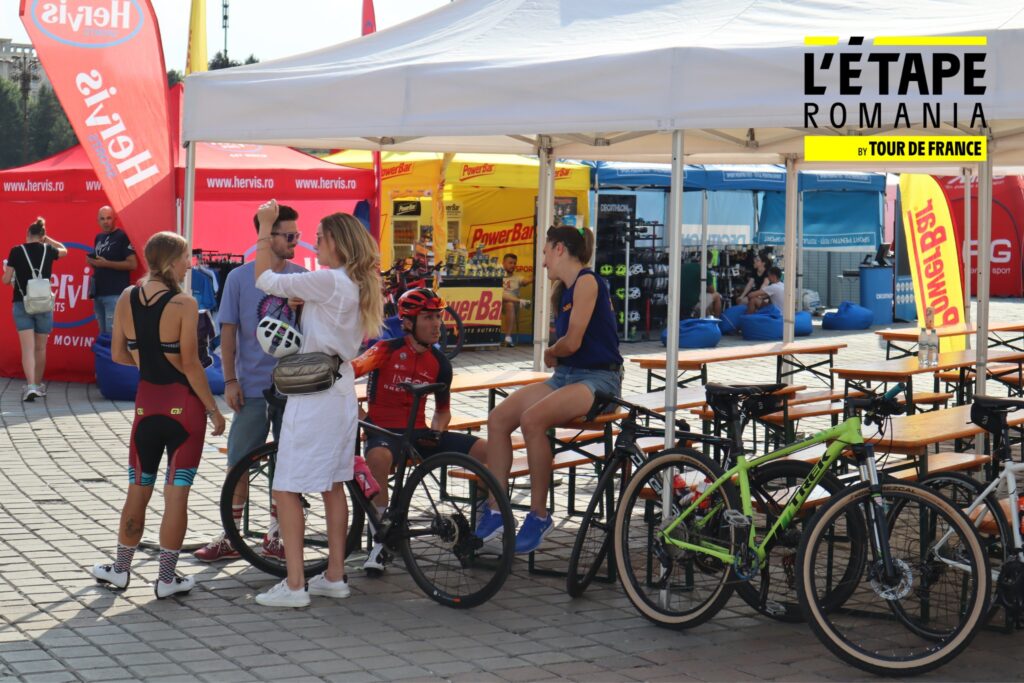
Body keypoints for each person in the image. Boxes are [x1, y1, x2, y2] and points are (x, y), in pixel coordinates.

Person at [251, 201, 383, 608]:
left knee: (286, 485)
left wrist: (265, 229)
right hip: (339, 388)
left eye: (322, 237)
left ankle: (294, 585)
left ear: (339, 244)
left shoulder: (328, 281)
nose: (315, 243)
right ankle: (334, 575)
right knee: (333, 484)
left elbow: (264, 280)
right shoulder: (354, 283)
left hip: (314, 397)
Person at [90, 232, 226, 599]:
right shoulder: (183, 303)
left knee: (138, 489)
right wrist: (214, 410)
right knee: (176, 495)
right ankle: (167, 578)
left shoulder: (125, 297)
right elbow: (191, 364)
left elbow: (117, 353)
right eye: (185, 258)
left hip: (146, 406)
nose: (189, 265)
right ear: (171, 260)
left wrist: (148, 360)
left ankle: (120, 569)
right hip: (185, 410)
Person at [484, 226, 622, 554]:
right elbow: (569, 347)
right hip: (568, 376)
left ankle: (539, 515)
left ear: (559, 249)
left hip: (599, 380)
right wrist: (556, 353)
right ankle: (495, 510)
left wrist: (551, 351)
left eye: (544, 253)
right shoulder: (563, 290)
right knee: (498, 419)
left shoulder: (588, 281)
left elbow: (572, 343)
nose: (543, 263)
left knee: (532, 420)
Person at [193, 206, 306, 562]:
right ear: (268, 236)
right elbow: (228, 333)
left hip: (293, 389)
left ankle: (277, 536)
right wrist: (229, 380)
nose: (296, 243)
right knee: (239, 461)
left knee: (287, 464)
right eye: (289, 236)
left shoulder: (301, 276)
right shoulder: (240, 278)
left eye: (297, 236)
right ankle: (231, 534)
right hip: (252, 387)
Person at [352, 287, 492, 573]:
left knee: (488, 452)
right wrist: (363, 417)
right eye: (428, 318)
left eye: (438, 317)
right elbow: (343, 378)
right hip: (385, 433)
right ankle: (381, 544)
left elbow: (443, 410)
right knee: (378, 459)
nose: (436, 324)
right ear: (407, 322)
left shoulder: (440, 363)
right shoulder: (384, 350)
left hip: (419, 434)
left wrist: (439, 431)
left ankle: (484, 530)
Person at [3, 217, 67, 401]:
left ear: (27, 235)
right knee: (40, 348)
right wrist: (49, 240)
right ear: (42, 236)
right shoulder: (48, 249)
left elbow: (6, 280)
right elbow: (65, 250)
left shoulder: (16, 251)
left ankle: (30, 386)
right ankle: (38, 386)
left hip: (22, 302)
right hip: (44, 304)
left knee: (28, 349)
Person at [88, 206, 138, 336]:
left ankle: (114, 357)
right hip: (99, 294)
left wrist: (106, 263)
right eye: (102, 219)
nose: (106, 222)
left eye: (109, 218)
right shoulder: (98, 237)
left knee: (114, 336)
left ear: (115, 219)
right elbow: (100, 263)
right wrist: (93, 262)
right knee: (103, 335)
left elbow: (133, 264)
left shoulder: (122, 236)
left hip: (115, 294)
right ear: (98, 221)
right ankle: (106, 357)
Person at [500, 253, 532, 347]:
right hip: (497, 305)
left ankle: (508, 337)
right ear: (503, 263)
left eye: (514, 263)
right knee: (499, 294)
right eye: (510, 263)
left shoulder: (517, 277)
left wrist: (539, 271)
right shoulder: (497, 276)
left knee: (510, 304)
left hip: (512, 306)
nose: (513, 265)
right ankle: (520, 301)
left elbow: (527, 280)